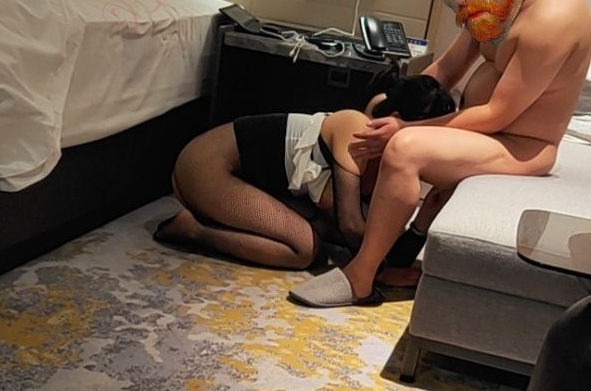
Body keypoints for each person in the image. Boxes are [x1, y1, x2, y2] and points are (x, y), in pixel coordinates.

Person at [290, 0, 591, 307]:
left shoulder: (551, 20)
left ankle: (361, 276)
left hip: (522, 144)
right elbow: (446, 70)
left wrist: (404, 129)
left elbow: (497, 114)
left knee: (405, 147)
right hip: (488, 129)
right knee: (381, 116)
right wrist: (393, 105)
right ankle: (377, 243)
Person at [153, 67, 455, 281]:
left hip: (250, 181)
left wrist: (422, 221)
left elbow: (380, 242)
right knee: (305, 249)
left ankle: (208, 221)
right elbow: (351, 226)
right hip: (206, 166)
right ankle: (192, 229)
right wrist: (380, 272)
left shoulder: (389, 163)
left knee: (322, 232)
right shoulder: (356, 128)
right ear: (397, 121)